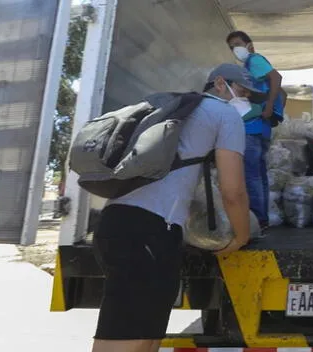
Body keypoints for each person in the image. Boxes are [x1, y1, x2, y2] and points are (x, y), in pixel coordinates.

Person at [91, 64, 264, 352]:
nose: (243, 99)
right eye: (242, 91)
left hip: (122, 224)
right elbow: (233, 192)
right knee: (126, 340)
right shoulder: (225, 115)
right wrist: (241, 237)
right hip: (149, 235)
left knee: (146, 338)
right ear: (219, 83)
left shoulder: (172, 108)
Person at [226, 31, 286, 230]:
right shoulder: (248, 66)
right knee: (259, 174)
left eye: (238, 44)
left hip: (253, 127)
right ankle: (262, 218)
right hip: (261, 128)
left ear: (249, 45)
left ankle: (258, 219)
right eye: (232, 47)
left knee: (251, 174)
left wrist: (269, 105)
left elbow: (276, 77)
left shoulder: (254, 60)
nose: (236, 49)